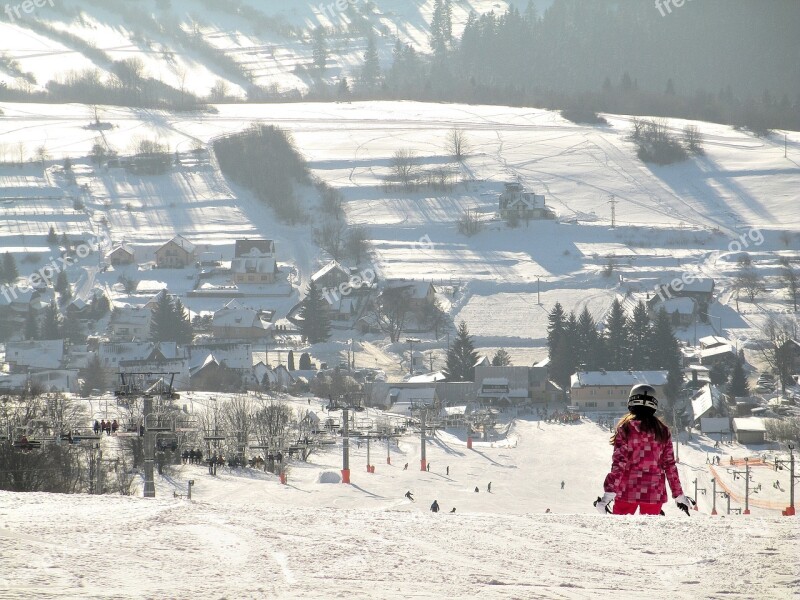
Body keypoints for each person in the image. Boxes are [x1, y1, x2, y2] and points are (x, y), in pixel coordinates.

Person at [595, 384, 694, 516]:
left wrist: (609, 493)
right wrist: (678, 494)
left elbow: (619, 464)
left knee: (621, 530)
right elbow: (669, 465)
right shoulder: (662, 431)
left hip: (627, 491)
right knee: (650, 533)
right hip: (653, 493)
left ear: (631, 402)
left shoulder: (625, 429)